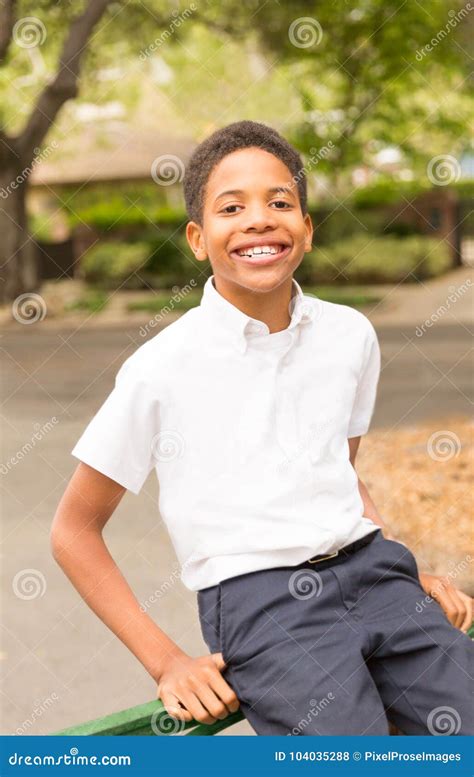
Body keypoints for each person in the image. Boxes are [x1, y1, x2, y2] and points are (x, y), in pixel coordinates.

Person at [50, 120, 473, 736]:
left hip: (375, 573)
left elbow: (340, 470)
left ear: (306, 229)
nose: (258, 219)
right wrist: (166, 661)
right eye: (231, 207)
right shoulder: (161, 368)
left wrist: (405, 574)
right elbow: (73, 530)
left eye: (280, 202)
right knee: (351, 757)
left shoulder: (348, 334)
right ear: (198, 238)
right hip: (263, 603)